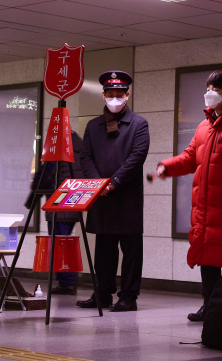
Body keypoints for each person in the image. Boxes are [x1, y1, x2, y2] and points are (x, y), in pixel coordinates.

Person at [157, 70, 222, 321]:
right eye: (208, 88)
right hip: (205, 205)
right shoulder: (204, 126)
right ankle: (210, 306)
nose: (209, 94)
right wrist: (168, 166)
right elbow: (190, 157)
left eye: (215, 90)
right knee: (208, 256)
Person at [76, 70, 150, 312]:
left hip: (126, 197)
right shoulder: (93, 125)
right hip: (101, 197)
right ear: (104, 95)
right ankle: (103, 294)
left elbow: (137, 157)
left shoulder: (139, 124)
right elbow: (85, 157)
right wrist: (98, 183)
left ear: (127, 95)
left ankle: (129, 296)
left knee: (131, 251)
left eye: (120, 94)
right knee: (103, 251)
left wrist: (114, 182)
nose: (115, 99)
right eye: (111, 94)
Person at [26, 130, 85, 295]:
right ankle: (69, 278)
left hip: (58, 202)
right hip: (74, 201)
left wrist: (35, 185)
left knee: (59, 245)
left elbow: (46, 173)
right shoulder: (80, 149)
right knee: (66, 243)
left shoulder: (59, 149)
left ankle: (67, 282)